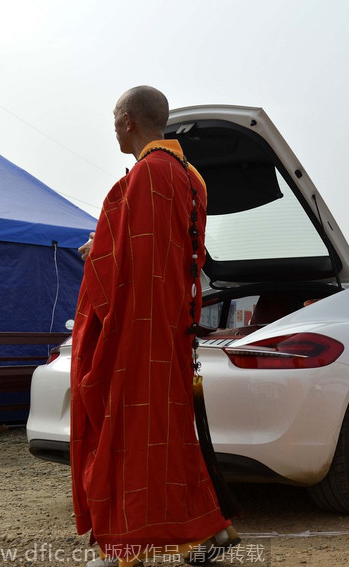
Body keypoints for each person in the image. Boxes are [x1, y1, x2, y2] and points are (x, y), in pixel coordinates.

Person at [70, 86, 238, 567]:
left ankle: (121, 548)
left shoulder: (147, 173)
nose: (114, 128)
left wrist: (96, 253)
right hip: (171, 326)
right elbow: (168, 253)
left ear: (127, 121)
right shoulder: (192, 176)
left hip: (137, 332)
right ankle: (207, 528)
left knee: (125, 432)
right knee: (168, 434)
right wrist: (103, 242)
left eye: (114, 120)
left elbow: (129, 265)